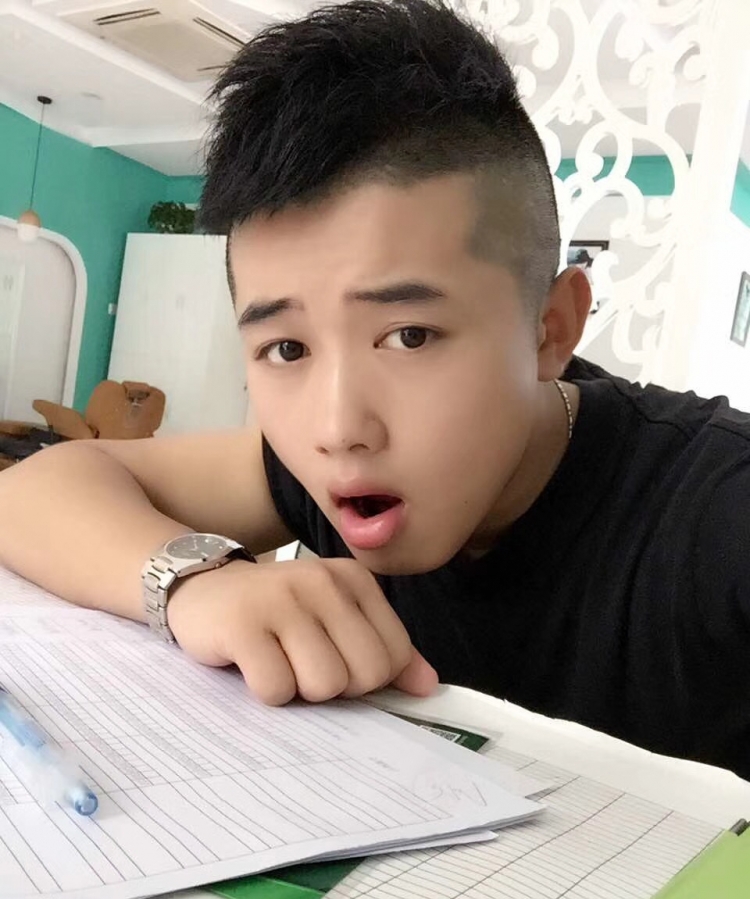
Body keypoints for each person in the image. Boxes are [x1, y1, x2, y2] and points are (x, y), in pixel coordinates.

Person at [1, 0, 749, 781]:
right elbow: (30, 493)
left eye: (409, 336)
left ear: (550, 328)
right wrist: (192, 584)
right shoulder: (315, 467)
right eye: (286, 348)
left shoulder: (718, 516)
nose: (335, 427)